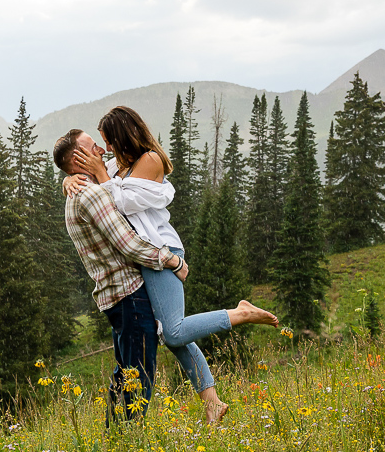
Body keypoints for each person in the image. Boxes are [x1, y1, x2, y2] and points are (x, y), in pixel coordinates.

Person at [57, 112, 277, 422]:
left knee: (173, 331)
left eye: (106, 141)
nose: (104, 149)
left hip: (160, 250)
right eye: (98, 145)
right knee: (169, 334)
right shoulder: (114, 165)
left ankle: (240, 313)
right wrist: (70, 176)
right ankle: (212, 402)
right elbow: (90, 181)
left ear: (121, 135)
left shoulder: (150, 160)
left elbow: (123, 205)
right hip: (148, 255)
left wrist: (170, 259)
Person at [52, 128, 186, 425]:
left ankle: (116, 437)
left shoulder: (77, 192)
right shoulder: (91, 195)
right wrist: (172, 260)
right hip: (129, 294)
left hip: (115, 296)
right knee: (139, 372)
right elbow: (128, 243)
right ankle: (127, 438)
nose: (100, 150)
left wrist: (66, 179)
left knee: (126, 371)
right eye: (92, 147)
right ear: (78, 159)